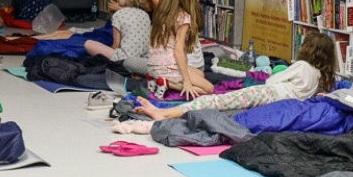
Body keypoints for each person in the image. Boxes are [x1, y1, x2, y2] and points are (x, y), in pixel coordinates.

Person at [128, 30, 338, 123]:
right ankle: (167, 113)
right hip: (279, 101)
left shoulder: (302, 66)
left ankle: (164, 113)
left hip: (270, 93)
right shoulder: (318, 77)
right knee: (224, 106)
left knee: (218, 100)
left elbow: (272, 81)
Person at [145, 0, 213, 97]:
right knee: (208, 89)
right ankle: (169, 84)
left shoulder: (163, 10)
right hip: (169, 67)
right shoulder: (184, 17)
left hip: (153, 65)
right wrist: (186, 82)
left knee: (200, 74)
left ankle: (157, 80)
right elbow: (178, 50)